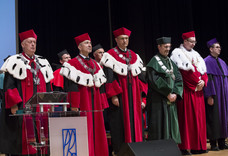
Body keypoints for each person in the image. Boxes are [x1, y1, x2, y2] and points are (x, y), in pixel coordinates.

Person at [0, 29, 54, 155]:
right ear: (23, 45)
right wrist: (14, 105)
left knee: (42, 136)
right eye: (30, 42)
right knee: (23, 139)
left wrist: (50, 103)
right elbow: (9, 86)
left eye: (34, 42)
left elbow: (48, 85)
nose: (33, 44)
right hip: (22, 109)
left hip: (41, 110)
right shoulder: (14, 61)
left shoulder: (42, 62)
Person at [60, 33, 109, 156]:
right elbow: (71, 86)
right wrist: (75, 104)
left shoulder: (95, 63)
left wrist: (103, 102)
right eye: (86, 43)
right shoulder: (72, 63)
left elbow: (101, 84)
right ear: (79, 47)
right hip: (83, 100)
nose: (89, 45)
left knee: (98, 129)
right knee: (84, 129)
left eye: (90, 43)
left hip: (96, 101)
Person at [100, 27, 144, 155]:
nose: (125, 41)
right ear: (116, 40)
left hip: (134, 95)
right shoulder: (110, 55)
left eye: (126, 38)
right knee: (119, 123)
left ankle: (137, 148)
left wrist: (142, 96)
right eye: (122, 39)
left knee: (135, 120)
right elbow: (109, 77)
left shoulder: (134, 55)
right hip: (120, 95)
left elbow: (141, 78)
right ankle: (121, 151)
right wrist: (113, 95)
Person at [170, 31, 208, 155]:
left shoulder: (196, 54)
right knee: (187, 120)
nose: (193, 44)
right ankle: (185, 147)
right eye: (191, 41)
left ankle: (199, 146)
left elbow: (203, 71)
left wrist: (203, 82)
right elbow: (184, 74)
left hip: (198, 92)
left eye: (194, 42)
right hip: (187, 92)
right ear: (185, 41)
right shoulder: (177, 53)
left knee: (199, 120)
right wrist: (197, 82)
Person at [146, 37, 183, 143]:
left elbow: (179, 78)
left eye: (169, 46)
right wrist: (168, 93)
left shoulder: (170, 62)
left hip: (171, 100)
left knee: (172, 126)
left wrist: (175, 93)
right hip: (158, 101)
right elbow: (154, 80)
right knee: (160, 126)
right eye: (165, 46)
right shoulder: (153, 62)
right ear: (159, 47)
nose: (168, 49)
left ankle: (172, 147)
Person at [204, 38, 228, 151]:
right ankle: (213, 143)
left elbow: (227, 80)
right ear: (211, 49)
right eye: (217, 47)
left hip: (223, 96)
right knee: (214, 118)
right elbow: (208, 81)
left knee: (223, 118)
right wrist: (209, 96)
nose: (219, 49)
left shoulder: (222, 62)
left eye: (219, 47)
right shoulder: (207, 61)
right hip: (215, 96)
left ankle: (222, 142)